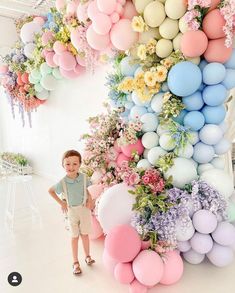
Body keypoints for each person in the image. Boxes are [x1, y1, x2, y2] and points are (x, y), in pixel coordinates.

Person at [48, 150, 95, 275]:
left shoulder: (84, 178)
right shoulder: (62, 182)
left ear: (80, 164)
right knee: (74, 236)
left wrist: (90, 199)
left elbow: (88, 189)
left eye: (75, 164)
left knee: (85, 234)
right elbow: (50, 191)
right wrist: (61, 203)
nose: (71, 167)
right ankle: (75, 262)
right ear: (63, 165)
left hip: (84, 209)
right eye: (67, 164)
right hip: (71, 211)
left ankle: (88, 256)